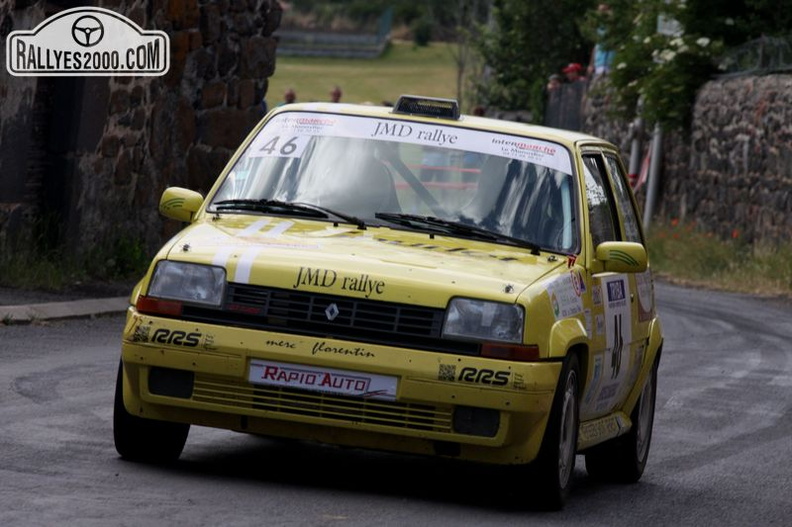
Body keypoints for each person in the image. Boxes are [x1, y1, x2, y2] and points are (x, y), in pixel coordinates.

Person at [588, 3, 615, 77]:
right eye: (599, 11)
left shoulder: (613, 25)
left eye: (604, 10)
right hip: (599, 63)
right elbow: (596, 46)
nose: (601, 13)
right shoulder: (599, 28)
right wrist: (591, 64)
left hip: (611, 62)